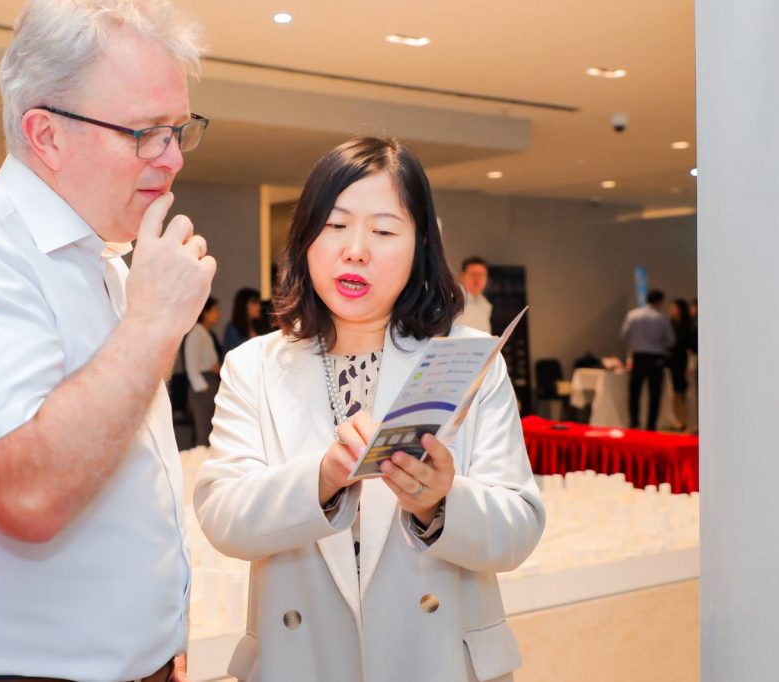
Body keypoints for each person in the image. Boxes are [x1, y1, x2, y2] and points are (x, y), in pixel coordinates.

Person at [0, 2, 214, 681]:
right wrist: (153, 322)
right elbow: (28, 494)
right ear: (46, 134)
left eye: (178, 130)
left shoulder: (103, 264)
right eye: (145, 132)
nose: (171, 158)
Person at [194, 137, 544, 682]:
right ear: (304, 238)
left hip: (438, 662)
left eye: (383, 231)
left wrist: (441, 502)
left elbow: (518, 531)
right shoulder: (253, 366)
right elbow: (223, 519)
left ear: (420, 245)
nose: (356, 250)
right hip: (302, 664)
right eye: (335, 225)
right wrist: (322, 479)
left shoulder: (467, 358)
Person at [621, 289, 675, 430]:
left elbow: (625, 336)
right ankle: (651, 425)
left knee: (635, 392)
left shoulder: (633, 315)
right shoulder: (661, 318)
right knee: (655, 394)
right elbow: (671, 340)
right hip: (656, 358)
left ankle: (634, 422)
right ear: (660, 302)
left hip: (639, 357)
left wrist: (636, 344)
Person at [185, 296, 222, 447]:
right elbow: (192, 367)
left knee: (211, 433)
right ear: (205, 313)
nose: (218, 314)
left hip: (210, 382)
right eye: (214, 310)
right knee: (204, 433)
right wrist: (203, 388)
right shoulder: (195, 333)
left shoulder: (205, 333)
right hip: (203, 388)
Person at [668, 298, 694, 431]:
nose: (671, 311)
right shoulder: (670, 324)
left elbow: (690, 346)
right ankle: (679, 419)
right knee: (676, 392)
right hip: (673, 361)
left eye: (674, 308)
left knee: (683, 392)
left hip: (683, 360)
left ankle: (686, 419)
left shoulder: (687, 325)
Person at [458, 256, 492, 333]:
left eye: (481, 275)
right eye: (473, 275)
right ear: (462, 277)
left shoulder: (485, 304)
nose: (477, 279)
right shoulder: (453, 301)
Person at [222, 287, 262, 354]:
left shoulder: (259, 326)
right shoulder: (233, 329)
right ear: (243, 304)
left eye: (259, 302)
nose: (259, 306)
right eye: (254, 302)